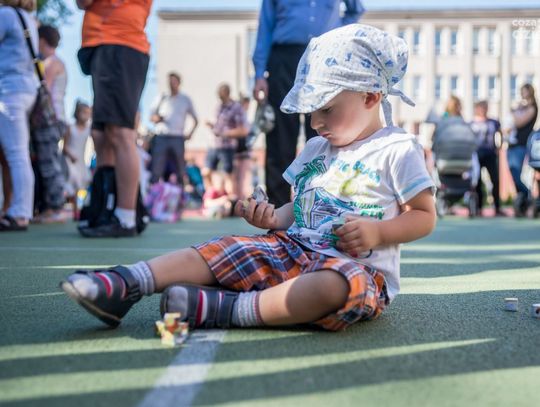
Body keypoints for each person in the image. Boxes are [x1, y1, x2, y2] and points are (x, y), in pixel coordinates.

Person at [60, 24, 436, 333]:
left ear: (371, 96)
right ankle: (126, 282)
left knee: (335, 287)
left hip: (358, 269)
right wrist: (272, 217)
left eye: (326, 109)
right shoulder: (317, 148)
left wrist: (378, 233)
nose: (314, 122)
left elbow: (423, 215)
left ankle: (231, 309)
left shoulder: (397, 148)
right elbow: (301, 208)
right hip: (292, 249)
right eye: (311, 111)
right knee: (226, 247)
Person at [252, 0, 364, 208]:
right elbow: (265, 25)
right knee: (280, 137)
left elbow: (355, 9)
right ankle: (276, 211)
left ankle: (323, 206)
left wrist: (338, 34)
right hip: (284, 59)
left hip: (326, 57)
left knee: (326, 134)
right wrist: (259, 74)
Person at [76, 0, 152, 237]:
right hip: (109, 43)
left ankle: (126, 216)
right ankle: (105, 208)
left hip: (119, 43)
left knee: (120, 133)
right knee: (102, 135)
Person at [0, 0, 38, 231]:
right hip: (24, 89)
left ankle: (20, 212)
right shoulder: (27, 18)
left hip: (9, 90)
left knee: (16, 154)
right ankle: (14, 209)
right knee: (14, 154)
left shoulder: (5, 14)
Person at [32, 24, 68, 223]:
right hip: (53, 119)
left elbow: (42, 89)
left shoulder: (51, 63)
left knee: (49, 164)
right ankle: (48, 207)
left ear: (42, 40)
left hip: (50, 120)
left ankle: (56, 207)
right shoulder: (54, 62)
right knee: (45, 163)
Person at [150, 72, 198, 187]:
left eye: (174, 81)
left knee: (180, 168)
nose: (172, 84)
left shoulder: (185, 99)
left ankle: (182, 192)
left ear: (179, 83)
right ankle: (154, 192)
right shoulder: (162, 97)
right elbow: (151, 117)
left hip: (178, 137)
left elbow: (196, 119)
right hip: (161, 137)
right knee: (157, 167)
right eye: (170, 82)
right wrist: (157, 118)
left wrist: (190, 133)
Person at [203, 83, 249, 197]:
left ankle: (230, 201)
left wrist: (225, 134)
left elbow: (243, 130)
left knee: (228, 176)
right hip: (214, 145)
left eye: (222, 96)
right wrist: (211, 125)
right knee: (206, 172)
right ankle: (211, 198)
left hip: (227, 146)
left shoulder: (236, 108)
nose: (220, 99)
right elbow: (218, 126)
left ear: (227, 94)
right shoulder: (219, 107)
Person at [506, 83, 538, 217]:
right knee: (513, 174)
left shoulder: (532, 108)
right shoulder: (522, 107)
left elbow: (519, 122)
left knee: (516, 173)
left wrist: (513, 112)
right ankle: (522, 201)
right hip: (512, 144)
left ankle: (528, 196)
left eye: (524, 91)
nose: (522, 94)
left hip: (521, 145)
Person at [470, 100, 504, 216]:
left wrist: (499, 146)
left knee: (495, 180)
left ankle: (497, 207)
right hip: (477, 155)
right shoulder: (471, 123)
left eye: (485, 107)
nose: (483, 110)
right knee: (478, 181)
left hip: (490, 155)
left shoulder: (493, 122)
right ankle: (479, 207)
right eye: (481, 108)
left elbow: (500, 133)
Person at [64, 101, 92, 219]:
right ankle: (74, 209)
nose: (86, 115)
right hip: (70, 160)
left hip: (81, 161)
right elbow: (64, 147)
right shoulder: (70, 128)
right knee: (72, 183)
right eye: (83, 112)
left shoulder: (88, 129)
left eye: (88, 113)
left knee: (82, 185)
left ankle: (79, 210)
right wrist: (70, 155)